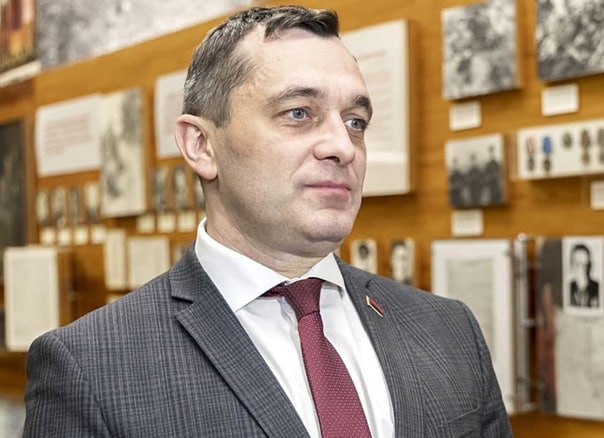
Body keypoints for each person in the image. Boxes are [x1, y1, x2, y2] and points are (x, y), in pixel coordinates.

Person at [23, 6, 512, 437]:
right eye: (298, 113)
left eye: (355, 122)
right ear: (201, 145)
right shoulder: (91, 368)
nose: (343, 146)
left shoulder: (446, 329)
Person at [568, 243, 600, 308]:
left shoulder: (598, 288)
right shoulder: (568, 288)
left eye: (584, 264)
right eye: (577, 264)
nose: (581, 269)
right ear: (571, 266)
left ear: (589, 265)